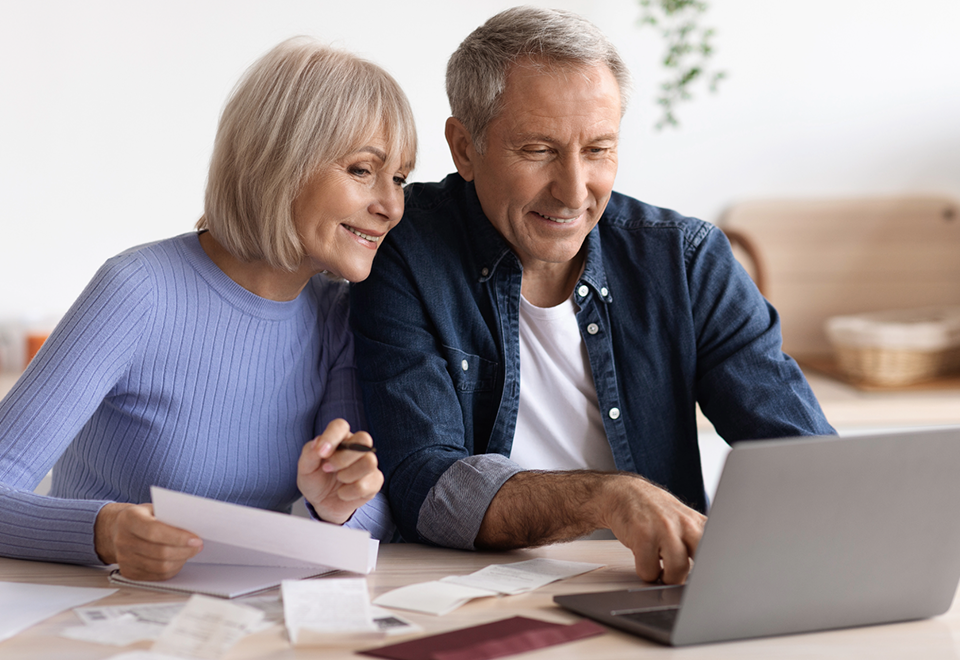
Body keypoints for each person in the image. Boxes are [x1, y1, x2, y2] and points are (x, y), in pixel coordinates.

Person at [351, 7, 834, 585]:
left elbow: (806, 462)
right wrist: (607, 498)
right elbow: (426, 486)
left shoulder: (685, 259)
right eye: (539, 150)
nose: (575, 191)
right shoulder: (403, 254)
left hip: (655, 588)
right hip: (473, 597)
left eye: (599, 150)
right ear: (464, 148)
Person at [0, 37, 416, 581]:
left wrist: (338, 504)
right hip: (98, 614)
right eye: (363, 170)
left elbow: (370, 514)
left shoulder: (336, 314)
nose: (390, 206)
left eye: (400, 178)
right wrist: (105, 532)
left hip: (237, 624)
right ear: (279, 161)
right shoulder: (137, 290)